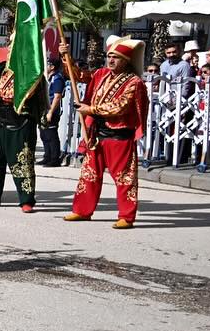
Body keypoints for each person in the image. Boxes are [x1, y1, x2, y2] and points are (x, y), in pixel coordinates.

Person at [60, 36, 147, 229]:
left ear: (126, 60)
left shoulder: (134, 83)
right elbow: (80, 76)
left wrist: (90, 110)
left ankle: (126, 216)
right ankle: (82, 210)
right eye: (109, 56)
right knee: (89, 175)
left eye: (116, 57)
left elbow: (120, 107)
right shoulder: (101, 74)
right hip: (98, 134)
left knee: (125, 179)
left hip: (120, 136)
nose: (111, 60)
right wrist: (67, 58)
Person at [0, 44, 42, 212]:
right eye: (10, 48)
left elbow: (23, 94)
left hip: (20, 122)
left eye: (14, 47)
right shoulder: (3, 67)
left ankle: (26, 200)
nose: (11, 51)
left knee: (22, 162)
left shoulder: (30, 69)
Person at [40, 58, 67, 167]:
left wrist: (51, 112)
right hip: (44, 109)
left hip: (52, 110)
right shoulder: (48, 78)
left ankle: (54, 158)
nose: (45, 66)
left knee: (51, 134)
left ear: (52, 67)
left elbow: (57, 96)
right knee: (44, 134)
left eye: (48, 64)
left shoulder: (57, 79)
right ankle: (47, 156)